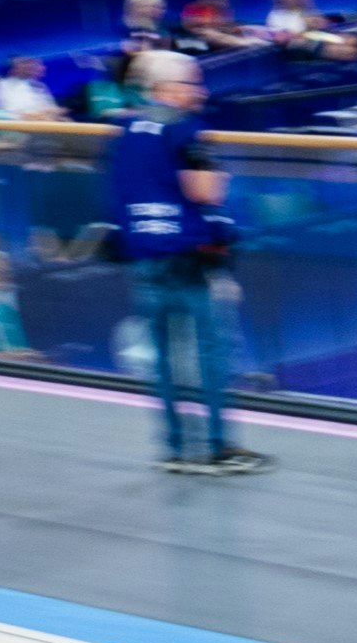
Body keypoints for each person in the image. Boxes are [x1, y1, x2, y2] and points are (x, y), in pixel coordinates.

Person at [107, 51, 270, 475]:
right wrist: (221, 180)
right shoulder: (184, 129)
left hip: (144, 253)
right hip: (190, 257)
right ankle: (217, 449)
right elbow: (204, 191)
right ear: (165, 89)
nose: (199, 92)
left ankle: (176, 448)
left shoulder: (125, 128)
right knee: (212, 352)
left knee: (163, 357)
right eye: (191, 84)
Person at [0, 55, 65, 121]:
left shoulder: (39, 86)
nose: (30, 67)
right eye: (24, 64)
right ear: (13, 69)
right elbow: (12, 112)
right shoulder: (4, 85)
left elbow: (51, 109)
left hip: (45, 125)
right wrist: (39, 115)